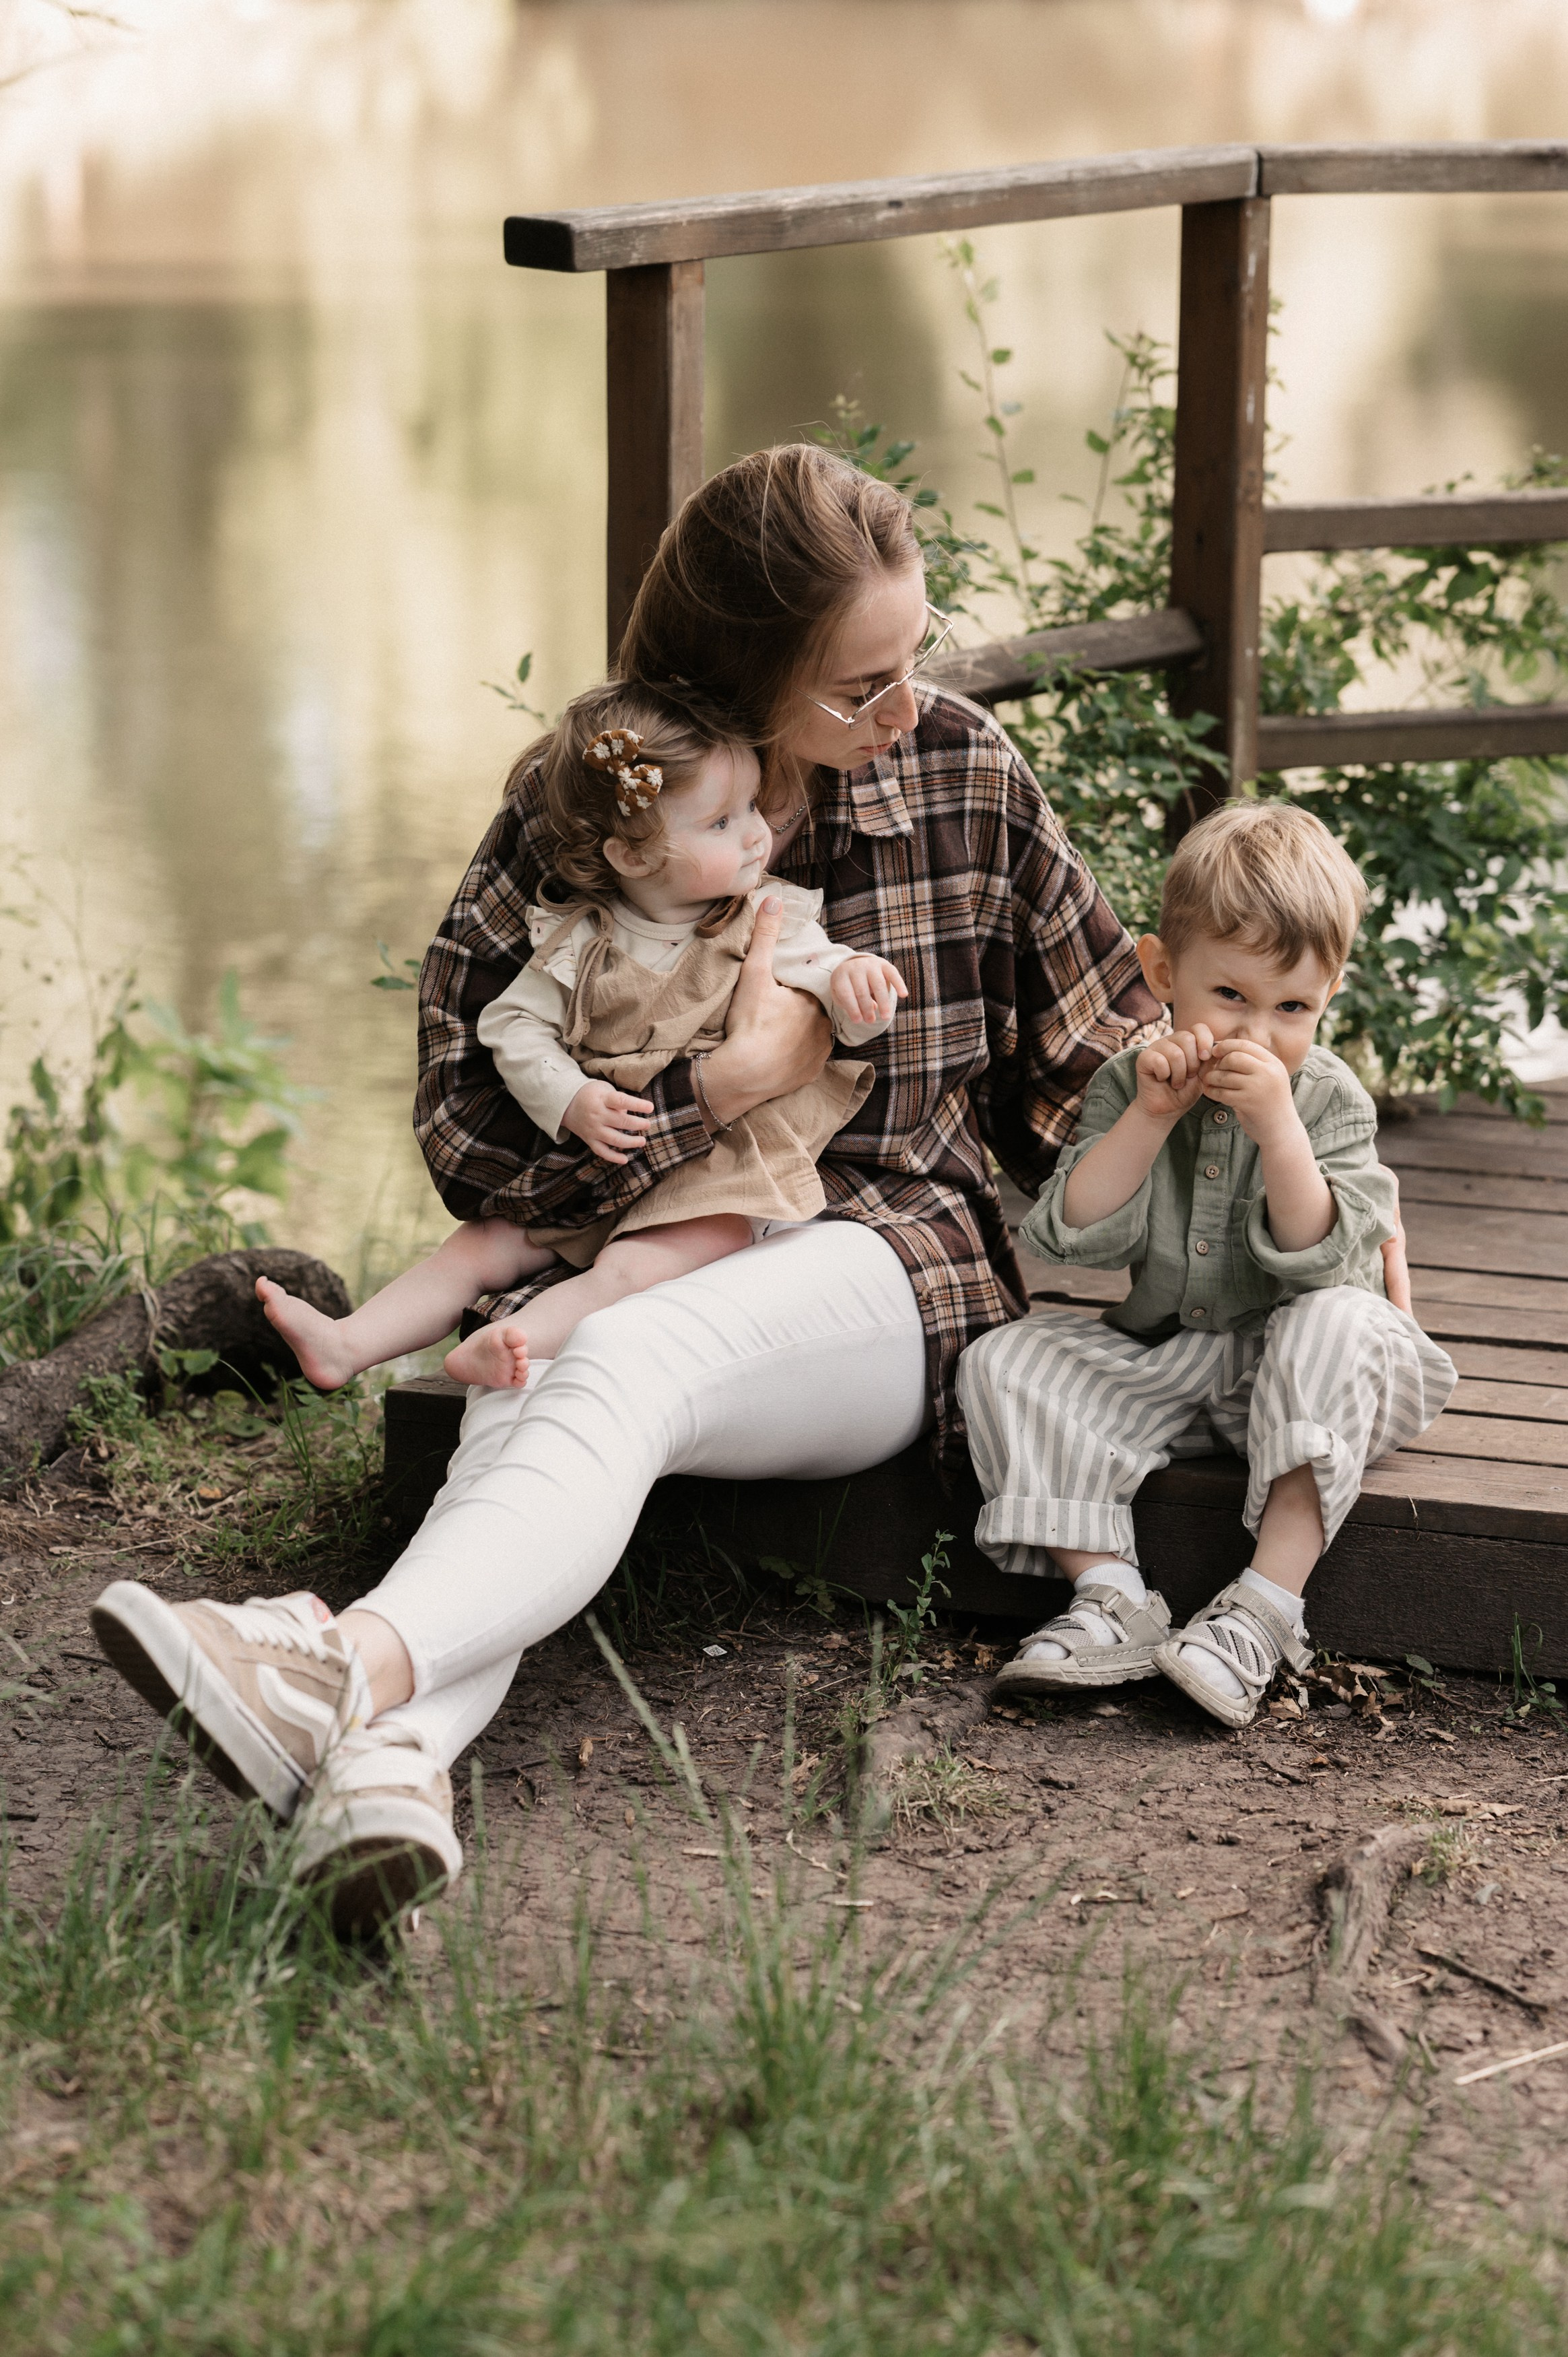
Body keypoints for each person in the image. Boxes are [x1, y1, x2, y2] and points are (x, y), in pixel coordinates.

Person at [90, 442, 1192, 1939]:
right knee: (545, 1356)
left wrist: (1302, 1185)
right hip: (621, 1242)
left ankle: (329, 1664)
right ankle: (384, 1768)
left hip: (886, 1258)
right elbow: (472, 1137)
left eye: (914, 654)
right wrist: (713, 1092)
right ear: (739, 683)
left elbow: (1099, 1077)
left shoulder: (960, 772)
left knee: (602, 1346)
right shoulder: (598, 803)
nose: (907, 705)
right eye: (856, 686)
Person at [252, 684, 904, 1397]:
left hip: (713, 1178)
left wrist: (858, 983)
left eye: (751, 807)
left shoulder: (763, 919)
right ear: (630, 854)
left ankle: (514, 1341)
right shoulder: (580, 938)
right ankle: (347, 1343)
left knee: (636, 1267)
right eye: (721, 821)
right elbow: (510, 1024)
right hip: (597, 1167)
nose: (756, 833)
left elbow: (828, 990)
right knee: (482, 1245)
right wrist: (570, 1095)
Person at [958, 801, 1456, 1730]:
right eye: (1230, 997)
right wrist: (1149, 1119)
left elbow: (1321, 1256)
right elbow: (1070, 1231)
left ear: (1327, 999)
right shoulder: (1129, 1082)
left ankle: (1262, 1610)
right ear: (1162, 975)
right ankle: (1111, 1599)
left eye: (1292, 1008)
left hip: (1318, 1370)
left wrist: (1278, 1127)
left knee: (1335, 1320)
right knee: (1005, 1361)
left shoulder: (1329, 1098)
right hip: (1179, 1361)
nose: (1258, 1035)